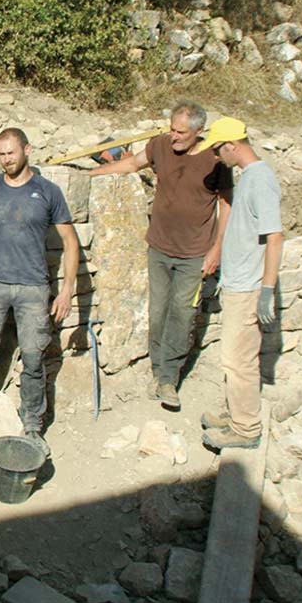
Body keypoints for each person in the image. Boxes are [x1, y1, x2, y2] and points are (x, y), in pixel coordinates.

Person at [90, 102, 232, 410]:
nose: (174, 136)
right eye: (172, 128)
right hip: (159, 247)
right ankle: (158, 367)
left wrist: (217, 250)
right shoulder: (160, 146)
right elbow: (131, 164)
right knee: (158, 311)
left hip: (194, 254)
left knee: (181, 313)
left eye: (181, 132)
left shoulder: (215, 159)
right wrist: (93, 172)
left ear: (199, 132)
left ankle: (169, 377)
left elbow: (226, 205)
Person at [0, 129, 79, 460]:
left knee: (35, 359)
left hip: (34, 288)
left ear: (27, 149)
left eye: (11, 152)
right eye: (1, 153)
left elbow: (70, 241)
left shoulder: (47, 192)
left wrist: (66, 288)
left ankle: (33, 427)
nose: (6, 159)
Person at [194, 118, 283, 450]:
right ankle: (235, 413)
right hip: (238, 282)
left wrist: (267, 291)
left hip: (248, 285)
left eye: (218, 149)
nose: (217, 156)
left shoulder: (260, 181)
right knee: (234, 356)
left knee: (238, 359)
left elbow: (275, 237)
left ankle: (245, 428)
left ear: (232, 145)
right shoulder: (250, 178)